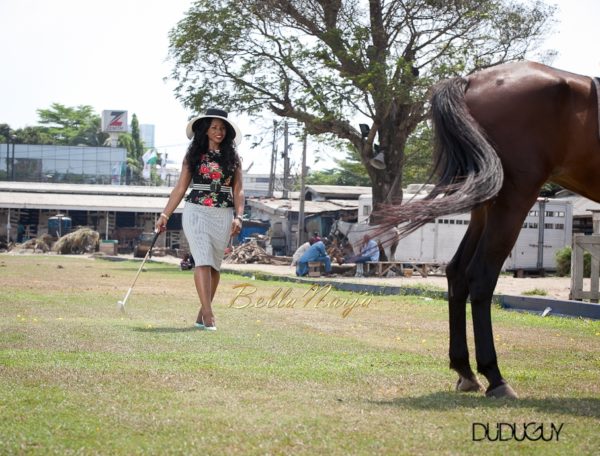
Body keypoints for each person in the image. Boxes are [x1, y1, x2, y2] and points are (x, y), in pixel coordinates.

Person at [156, 108, 244, 331]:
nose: (219, 132)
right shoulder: (193, 156)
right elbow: (180, 188)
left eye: (223, 128)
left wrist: (239, 216)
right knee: (202, 259)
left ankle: (201, 313)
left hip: (223, 214)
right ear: (205, 130)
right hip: (196, 211)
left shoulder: (234, 158)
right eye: (214, 127)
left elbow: (239, 191)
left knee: (214, 266)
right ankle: (209, 315)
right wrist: (165, 214)